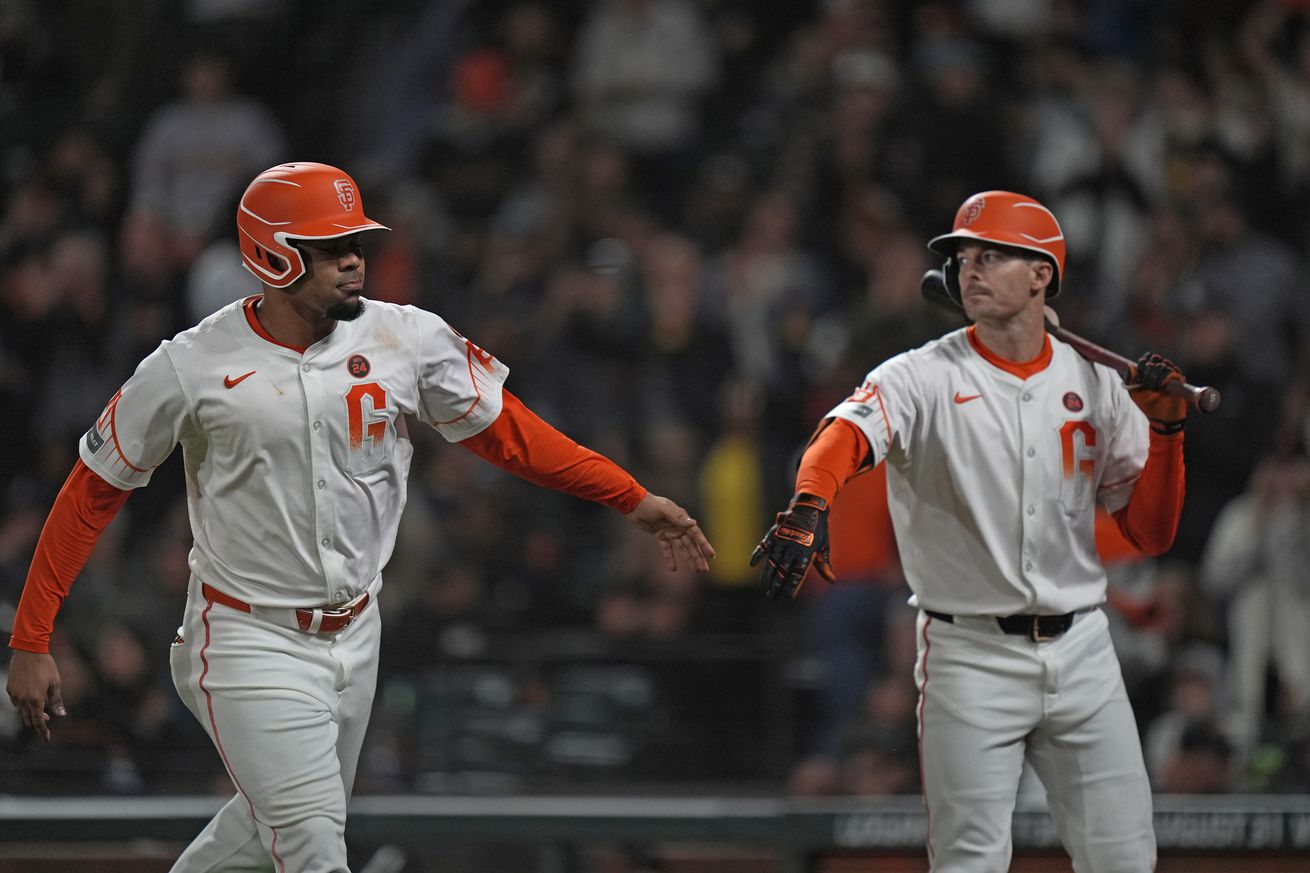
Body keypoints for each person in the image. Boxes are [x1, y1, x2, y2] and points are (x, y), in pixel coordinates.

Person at [6, 162, 715, 872]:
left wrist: (630, 495)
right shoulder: (191, 364)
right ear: (272, 253)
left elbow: (512, 434)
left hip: (357, 631)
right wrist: (33, 637)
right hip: (248, 635)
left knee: (267, 833)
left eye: (357, 242)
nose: (353, 259)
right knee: (314, 844)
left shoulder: (405, 337)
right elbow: (90, 491)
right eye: (330, 245)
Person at [752, 190, 1188, 871]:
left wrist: (1166, 434)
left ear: (1042, 274)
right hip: (969, 652)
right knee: (969, 862)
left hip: (1084, 651)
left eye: (992, 256)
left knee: (1126, 858)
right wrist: (809, 502)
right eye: (962, 258)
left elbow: (1152, 533)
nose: (969, 270)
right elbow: (840, 435)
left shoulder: (1097, 382)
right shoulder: (921, 374)